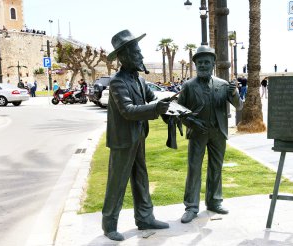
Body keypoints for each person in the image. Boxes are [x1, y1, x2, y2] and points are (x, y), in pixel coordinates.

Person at [102, 29, 170, 241]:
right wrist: (155, 109)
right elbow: (128, 110)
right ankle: (109, 224)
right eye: (137, 52)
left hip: (138, 136)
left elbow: (153, 99)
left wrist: (172, 109)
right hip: (122, 140)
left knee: (141, 178)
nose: (141, 55)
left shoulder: (139, 80)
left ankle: (145, 218)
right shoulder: (117, 82)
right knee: (117, 182)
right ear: (124, 56)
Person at [177, 45, 243, 224]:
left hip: (218, 133)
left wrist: (235, 93)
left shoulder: (223, 85)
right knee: (194, 169)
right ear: (196, 64)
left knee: (216, 168)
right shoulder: (188, 86)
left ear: (213, 63)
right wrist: (191, 122)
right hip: (198, 133)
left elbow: (239, 106)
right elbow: (178, 110)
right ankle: (191, 207)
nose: (203, 65)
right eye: (200, 62)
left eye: (207, 62)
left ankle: (214, 201)